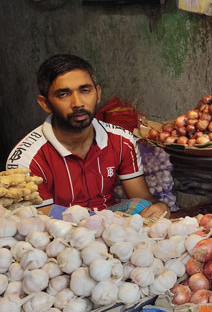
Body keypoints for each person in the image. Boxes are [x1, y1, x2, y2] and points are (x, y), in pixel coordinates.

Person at [6, 54, 170, 218]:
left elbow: (142, 198)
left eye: (85, 90)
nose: (77, 103)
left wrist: (160, 208)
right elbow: (40, 217)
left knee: (143, 207)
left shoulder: (121, 140)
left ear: (98, 93)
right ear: (45, 104)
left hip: (109, 224)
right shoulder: (28, 159)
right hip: (58, 229)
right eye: (63, 94)